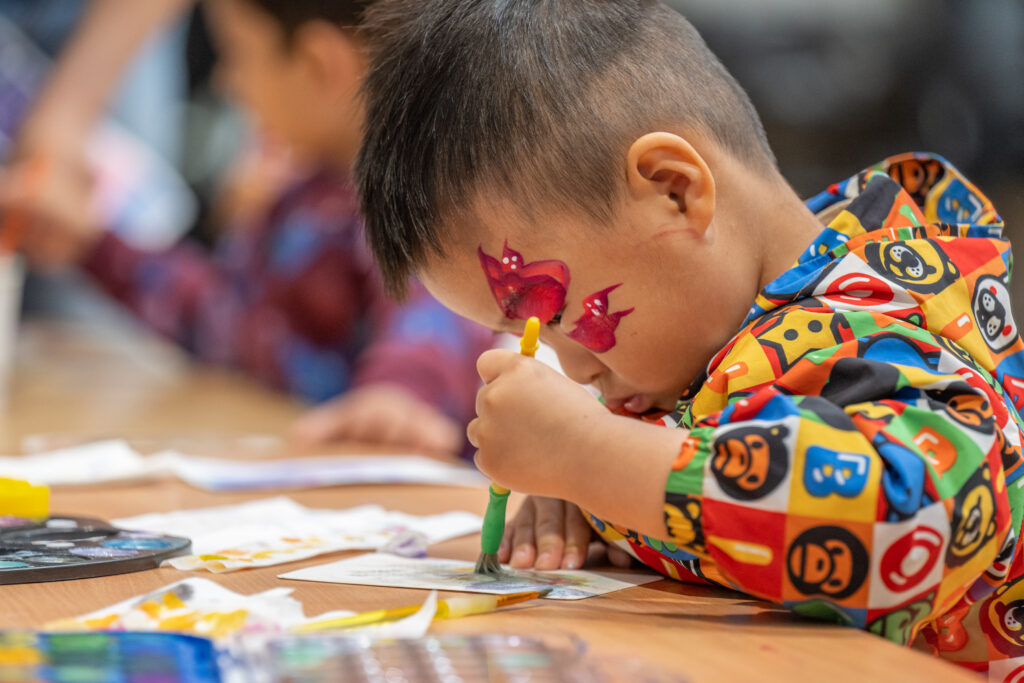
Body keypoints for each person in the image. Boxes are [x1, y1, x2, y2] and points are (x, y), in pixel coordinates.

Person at [354, 0, 1024, 671]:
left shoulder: (878, 324)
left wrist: (594, 456)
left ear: (674, 190)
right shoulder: (699, 344)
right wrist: (589, 500)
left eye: (555, 318)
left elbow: (914, 521)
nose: (577, 370)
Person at [5, 0, 492, 456]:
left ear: (321, 66)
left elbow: (431, 305)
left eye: (239, 55)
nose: (225, 80)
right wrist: (94, 246)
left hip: (380, 497)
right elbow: (221, 320)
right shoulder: (303, 201)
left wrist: (401, 392)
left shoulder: (418, 204)